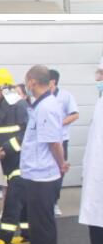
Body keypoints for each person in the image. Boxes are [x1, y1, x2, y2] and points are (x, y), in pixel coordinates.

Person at [10, 65, 68, 244]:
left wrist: (62, 164)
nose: (26, 84)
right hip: (33, 173)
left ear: (33, 81)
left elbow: (54, 142)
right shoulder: (38, 104)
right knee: (34, 221)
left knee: (44, 222)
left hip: (44, 175)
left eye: (27, 80)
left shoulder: (47, 107)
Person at [0, 68, 30, 244]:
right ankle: (28, 235)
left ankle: (4, 239)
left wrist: (6, 148)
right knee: (23, 200)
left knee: (12, 200)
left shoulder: (19, 106)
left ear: (3, 88)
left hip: (22, 160)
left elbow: (25, 133)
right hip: (7, 161)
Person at [69, 57, 103, 244]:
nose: (97, 77)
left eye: (101, 73)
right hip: (97, 173)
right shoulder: (100, 102)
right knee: (96, 219)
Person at [49, 69, 79, 216]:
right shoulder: (40, 96)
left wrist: (59, 123)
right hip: (45, 140)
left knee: (59, 170)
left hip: (61, 140)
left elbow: (75, 115)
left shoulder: (65, 96)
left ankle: (54, 202)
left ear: (53, 81)